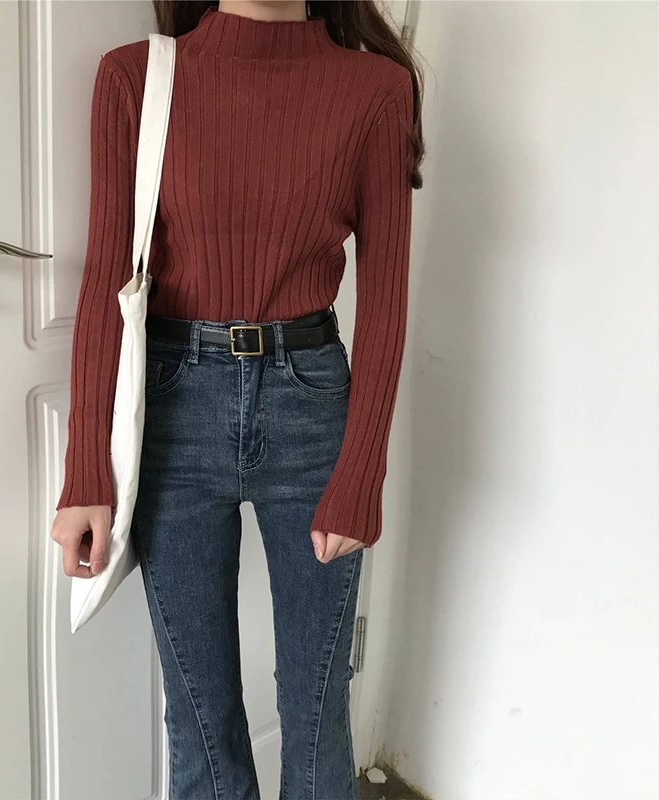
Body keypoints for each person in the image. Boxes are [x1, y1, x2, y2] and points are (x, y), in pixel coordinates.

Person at [51, 1, 424, 797]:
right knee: (198, 711)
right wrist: (86, 473)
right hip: (174, 408)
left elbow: (386, 300)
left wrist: (362, 473)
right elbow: (106, 278)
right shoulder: (136, 77)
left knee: (316, 709)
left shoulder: (375, 90)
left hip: (309, 404)